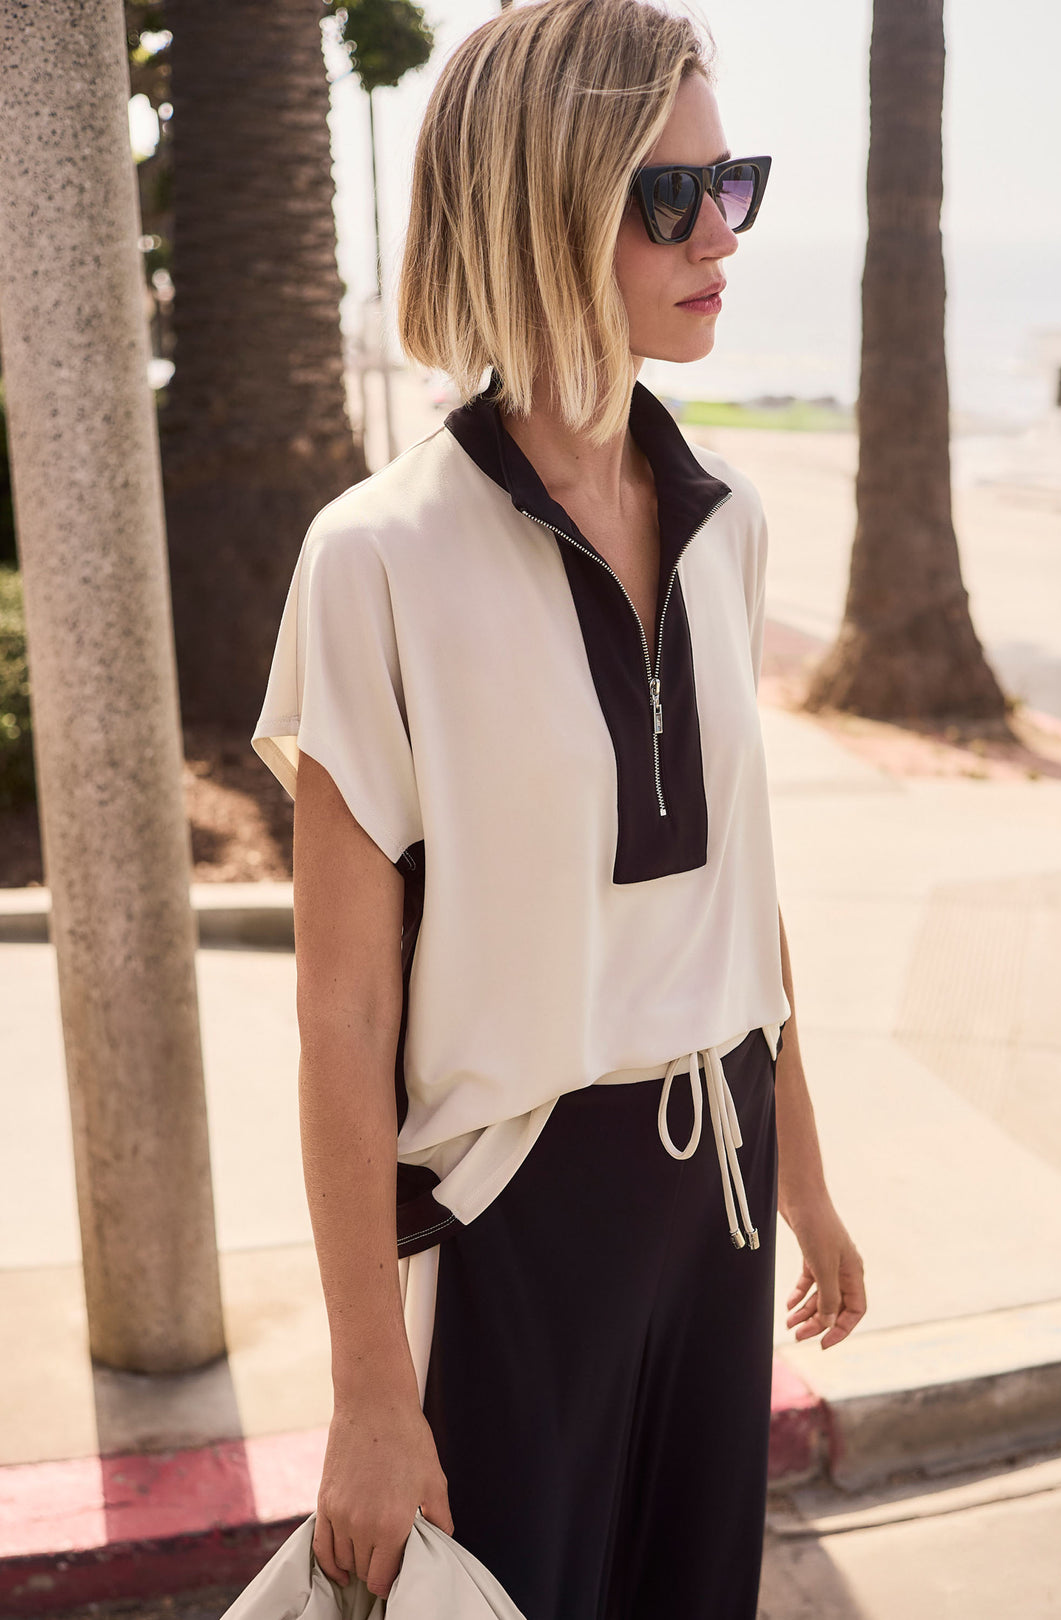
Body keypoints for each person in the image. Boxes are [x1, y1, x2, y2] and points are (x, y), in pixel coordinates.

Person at [250, 2, 867, 1616]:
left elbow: (748, 896)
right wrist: (371, 1389)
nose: (717, 229)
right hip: (521, 1223)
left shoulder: (725, 525)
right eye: (668, 196)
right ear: (543, 207)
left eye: (729, 180)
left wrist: (806, 1186)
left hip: (714, 1198)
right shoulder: (377, 559)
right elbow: (340, 1013)